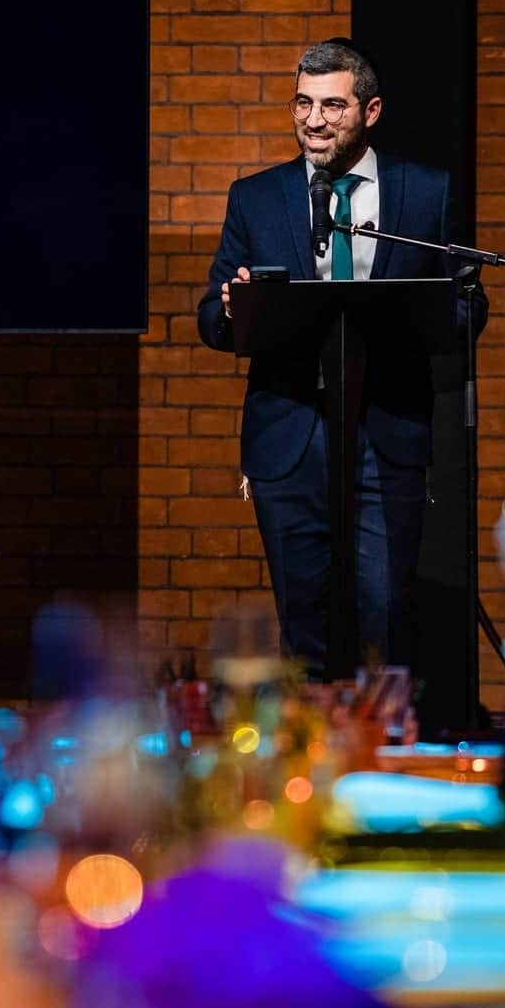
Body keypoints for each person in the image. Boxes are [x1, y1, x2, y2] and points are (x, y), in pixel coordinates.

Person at [196, 39, 484, 678]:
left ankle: (383, 740)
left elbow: (469, 307)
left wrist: (415, 313)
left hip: (387, 434)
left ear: (370, 111)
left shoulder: (425, 194)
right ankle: (309, 745)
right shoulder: (256, 197)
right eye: (303, 103)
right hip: (291, 439)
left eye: (332, 105)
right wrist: (233, 307)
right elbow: (211, 319)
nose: (314, 120)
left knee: (386, 620)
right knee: (305, 628)